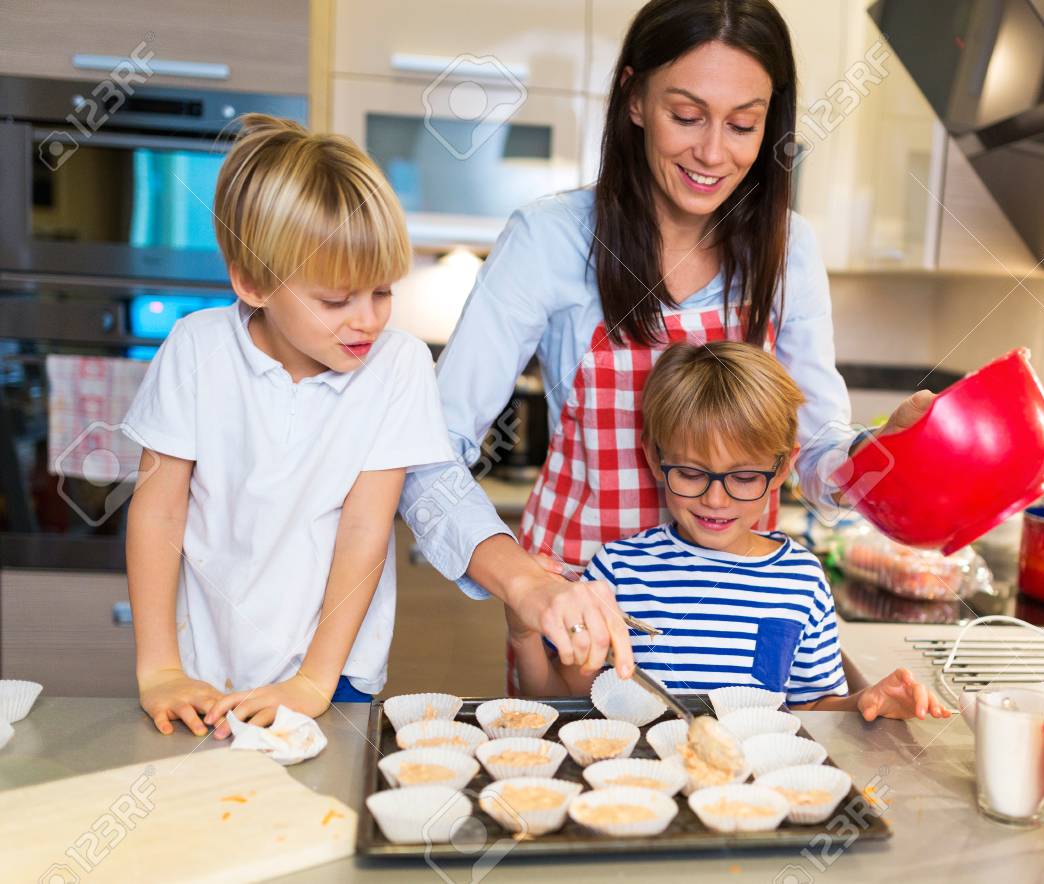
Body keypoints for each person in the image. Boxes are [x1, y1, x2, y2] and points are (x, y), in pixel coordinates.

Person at [402, 0, 933, 683]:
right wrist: (526, 586)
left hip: (734, 631)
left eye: (744, 124)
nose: (714, 153)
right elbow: (427, 453)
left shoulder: (789, 250)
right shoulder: (551, 239)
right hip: (578, 630)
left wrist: (882, 457)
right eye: (686, 116)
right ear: (633, 99)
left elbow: (816, 447)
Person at [123, 114, 458, 737]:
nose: (368, 320)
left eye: (382, 292)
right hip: (203, 668)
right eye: (337, 300)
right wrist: (159, 668)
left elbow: (365, 528)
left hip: (336, 670)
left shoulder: (400, 365)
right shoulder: (197, 350)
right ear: (252, 284)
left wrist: (313, 679)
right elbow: (158, 512)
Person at [511, 342, 949, 720]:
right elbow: (558, 699)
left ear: (781, 469)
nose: (715, 500)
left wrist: (864, 703)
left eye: (742, 477)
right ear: (653, 458)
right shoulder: (618, 572)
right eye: (690, 472)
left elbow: (813, 711)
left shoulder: (801, 580)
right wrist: (523, 632)